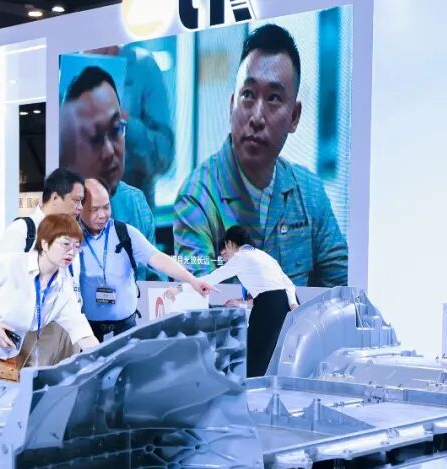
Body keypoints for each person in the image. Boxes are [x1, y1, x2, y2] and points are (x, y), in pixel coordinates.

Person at [173, 24, 348, 288]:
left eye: (274, 98)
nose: (256, 117)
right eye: (247, 95)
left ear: (294, 116)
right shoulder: (197, 197)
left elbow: (344, 288)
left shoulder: (309, 192)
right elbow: (199, 301)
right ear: (231, 105)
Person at [0, 214, 99, 469]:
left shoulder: (61, 283)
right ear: (45, 243)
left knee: (30, 419)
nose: (71, 252)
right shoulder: (10, 264)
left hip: (17, 354)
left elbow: (77, 325)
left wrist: (103, 356)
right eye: (65, 244)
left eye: (77, 246)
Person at [78, 178, 214, 341]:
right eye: (94, 209)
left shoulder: (124, 232)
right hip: (87, 330)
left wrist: (192, 280)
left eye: (106, 207)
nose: (102, 215)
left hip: (125, 328)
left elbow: (158, 258)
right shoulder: (71, 237)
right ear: (79, 207)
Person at [60, 66, 158, 274]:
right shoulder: (56, 207)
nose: (108, 151)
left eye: (115, 130)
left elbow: (153, 283)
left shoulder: (134, 205)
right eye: (94, 136)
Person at [166, 225, 299, 377]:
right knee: (264, 351)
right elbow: (287, 283)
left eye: (225, 251)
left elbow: (211, 278)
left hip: (268, 306)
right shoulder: (264, 256)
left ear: (230, 243)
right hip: (280, 305)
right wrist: (293, 303)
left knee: (255, 352)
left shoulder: (241, 257)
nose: (225, 257)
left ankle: (249, 387)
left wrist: (180, 288)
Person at [85, 45, 175, 209]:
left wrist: (123, 121)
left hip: (131, 212)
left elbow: (164, 158)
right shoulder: (66, 69)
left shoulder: (144, 68)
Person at [0, 168, 85, 257]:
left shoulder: (72, 236)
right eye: (77, 200)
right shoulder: (21, 230)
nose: (80, 207)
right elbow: (4, 268)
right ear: (55, 198)